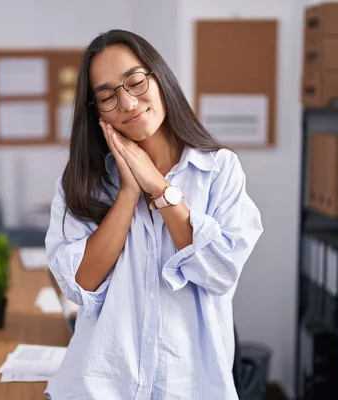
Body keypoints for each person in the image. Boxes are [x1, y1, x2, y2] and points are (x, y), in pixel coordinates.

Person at [44, 29, 263, 400]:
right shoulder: (83, 182)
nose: (127, 103)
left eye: (135, 81)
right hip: (97, 388)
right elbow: (80, 284)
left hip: (187, 389)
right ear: (96, 112)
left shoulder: (220, 170)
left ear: (159, 78)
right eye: (107, 96)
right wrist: (129, 192)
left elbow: (221, 271)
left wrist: (160, 190)